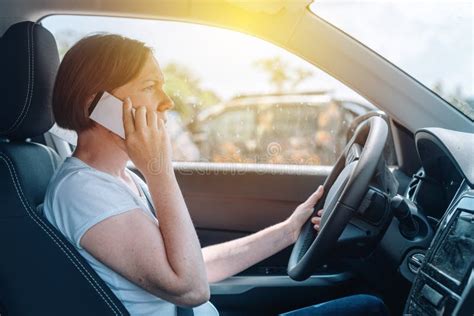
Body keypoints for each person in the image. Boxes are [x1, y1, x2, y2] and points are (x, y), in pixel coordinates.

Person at [42, 33, 325, 315]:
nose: (168, 102)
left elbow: (190, 265)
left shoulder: (120, 178)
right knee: (367, 306)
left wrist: (287, 232)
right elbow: (190, 288)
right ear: (96, 105)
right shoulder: (83, 192)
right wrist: (158, 169)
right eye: (151, 86)